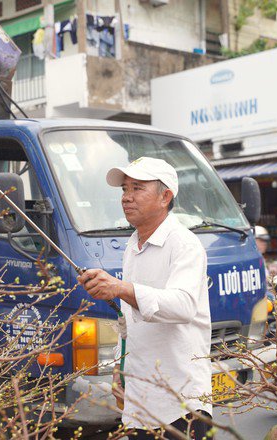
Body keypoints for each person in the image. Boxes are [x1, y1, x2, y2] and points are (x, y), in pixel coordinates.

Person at [76, 157, 212, 439]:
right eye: (124, 189)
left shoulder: (184, 244)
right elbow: (128, 320)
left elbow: (183, 306)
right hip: (140, 399)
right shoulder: (133, 245)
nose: (126, 198)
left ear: (165, 196)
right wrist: (119, 369)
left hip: (181, 402)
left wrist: (121, 288)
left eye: (137, 188)